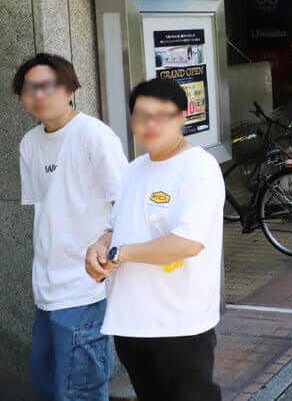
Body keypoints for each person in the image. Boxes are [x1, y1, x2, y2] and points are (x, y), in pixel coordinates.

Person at [86, 78, 223, 401]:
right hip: (130, 322)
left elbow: (188, 243)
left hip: (179, 325)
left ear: (183, 117)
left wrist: (119, 253)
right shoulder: (133, 170)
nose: (150, 124)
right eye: (141, 115)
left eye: (162, 115)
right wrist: (99, 247)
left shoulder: (199, 167)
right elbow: (115, 227)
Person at [15, 54, 128, 401]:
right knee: (50, 388)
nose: (38, 95)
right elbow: (46, 212)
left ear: (69, 88)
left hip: (85, 288)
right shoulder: (30, 143)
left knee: (80, 391)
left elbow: (124, 206)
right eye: (29, 88)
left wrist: (108, 254)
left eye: (47, 86)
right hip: (46, 290)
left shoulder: (93, 135)